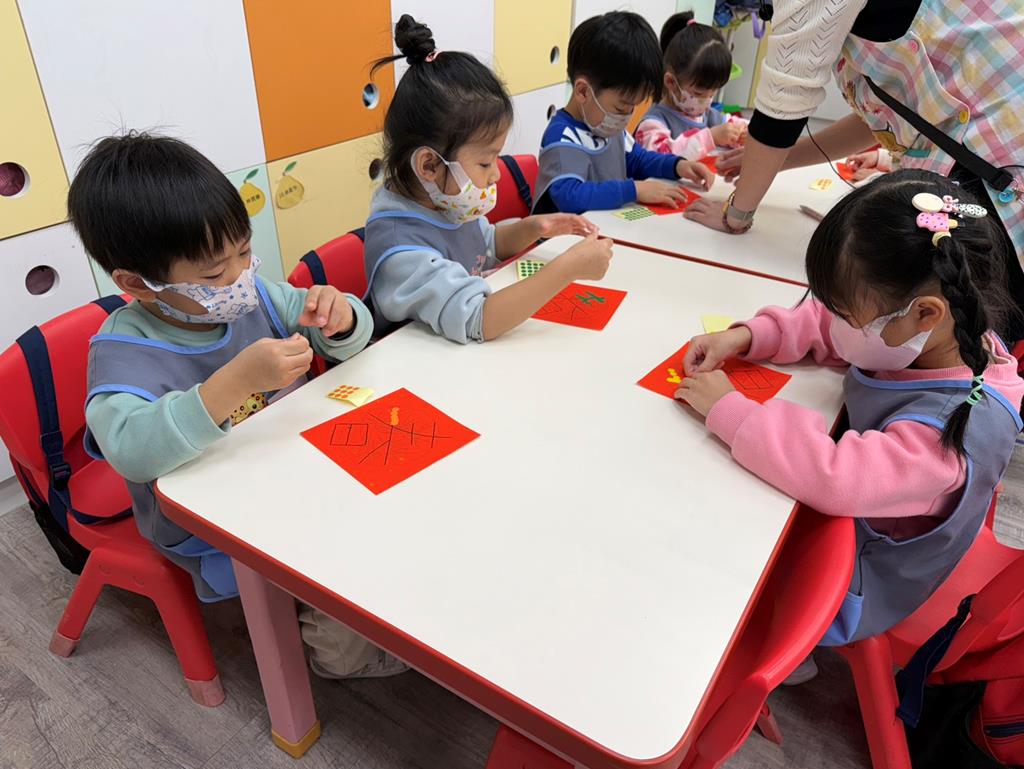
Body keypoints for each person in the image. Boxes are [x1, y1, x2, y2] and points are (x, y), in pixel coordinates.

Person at [72, 133, 402, 679]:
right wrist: (233, 384)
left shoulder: (257, 295)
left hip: (295, 464)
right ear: (137, 284)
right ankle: (339, 654)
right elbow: (131, 451)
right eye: (212, 273)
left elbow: (342, 338)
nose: (239, 278)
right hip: (209, 518)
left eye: (245, 252)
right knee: (338, 544)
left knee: (393, 489)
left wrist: (342, 318)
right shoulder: (123, 351)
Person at [678, 170, 1023, 670]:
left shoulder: (950, 433)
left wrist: (729, 409)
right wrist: (748, 336)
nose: (834, 321)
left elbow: (835, 477)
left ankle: (786, 657)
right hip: (863, 515)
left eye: (845, 314)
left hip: (861, 581)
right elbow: (831, 324)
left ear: (925, 315)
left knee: (706, 552)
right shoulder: (939, 333)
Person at [684, 1, 1024, 339]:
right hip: (982, 157)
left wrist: (737, 214)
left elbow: (783, 101)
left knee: (976, 336)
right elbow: (881, 117)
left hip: (997, 167)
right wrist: (778, 159)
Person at [362, 15, 614, 343]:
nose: (496, 174)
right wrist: (569, 268)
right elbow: (479, 318)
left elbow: (486, 244)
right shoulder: (400, 248)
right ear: (429, 165)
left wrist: (536, 227)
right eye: (485, 162)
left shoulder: (442, 200)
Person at [532, 10, 714, 215]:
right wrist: (634, 190)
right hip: (565, 235)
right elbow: (570, 196)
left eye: (632, 108)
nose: (626, 117)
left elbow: (637, 159)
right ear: (583, 91)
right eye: (620, 108)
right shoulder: (562, 136)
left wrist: (677, 166)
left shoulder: (606, 126)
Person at [634, 11, 747, 160]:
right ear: (671, 82)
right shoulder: (653, 124)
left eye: (712, 93)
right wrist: (711, 137)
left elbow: (737, 126)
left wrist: (742, 133)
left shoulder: (709, 116)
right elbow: (662, 156)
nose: (707, 100)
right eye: (699, 93)